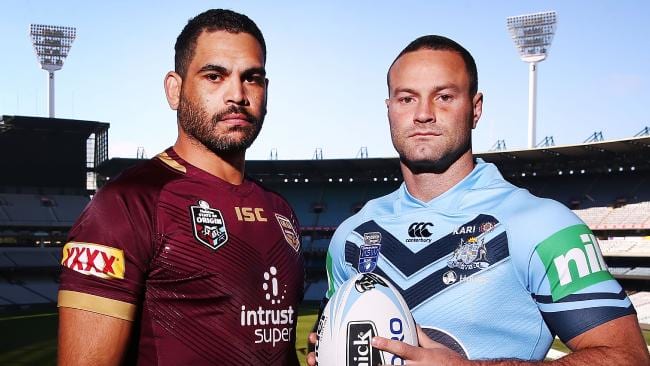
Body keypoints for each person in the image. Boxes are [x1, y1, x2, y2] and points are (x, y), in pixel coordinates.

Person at [308, 35, 649, 365]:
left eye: (444, 97)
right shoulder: (352, 236)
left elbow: (629, 358)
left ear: (475, 108)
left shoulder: (543, 225)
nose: (423, 113)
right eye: (407, 98)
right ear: (389, 109)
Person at [58, 9, 304, 365]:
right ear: (175, 90)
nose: (237, 94)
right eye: (214, 76)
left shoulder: (281, 212)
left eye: (252, 78)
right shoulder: (127, 204)